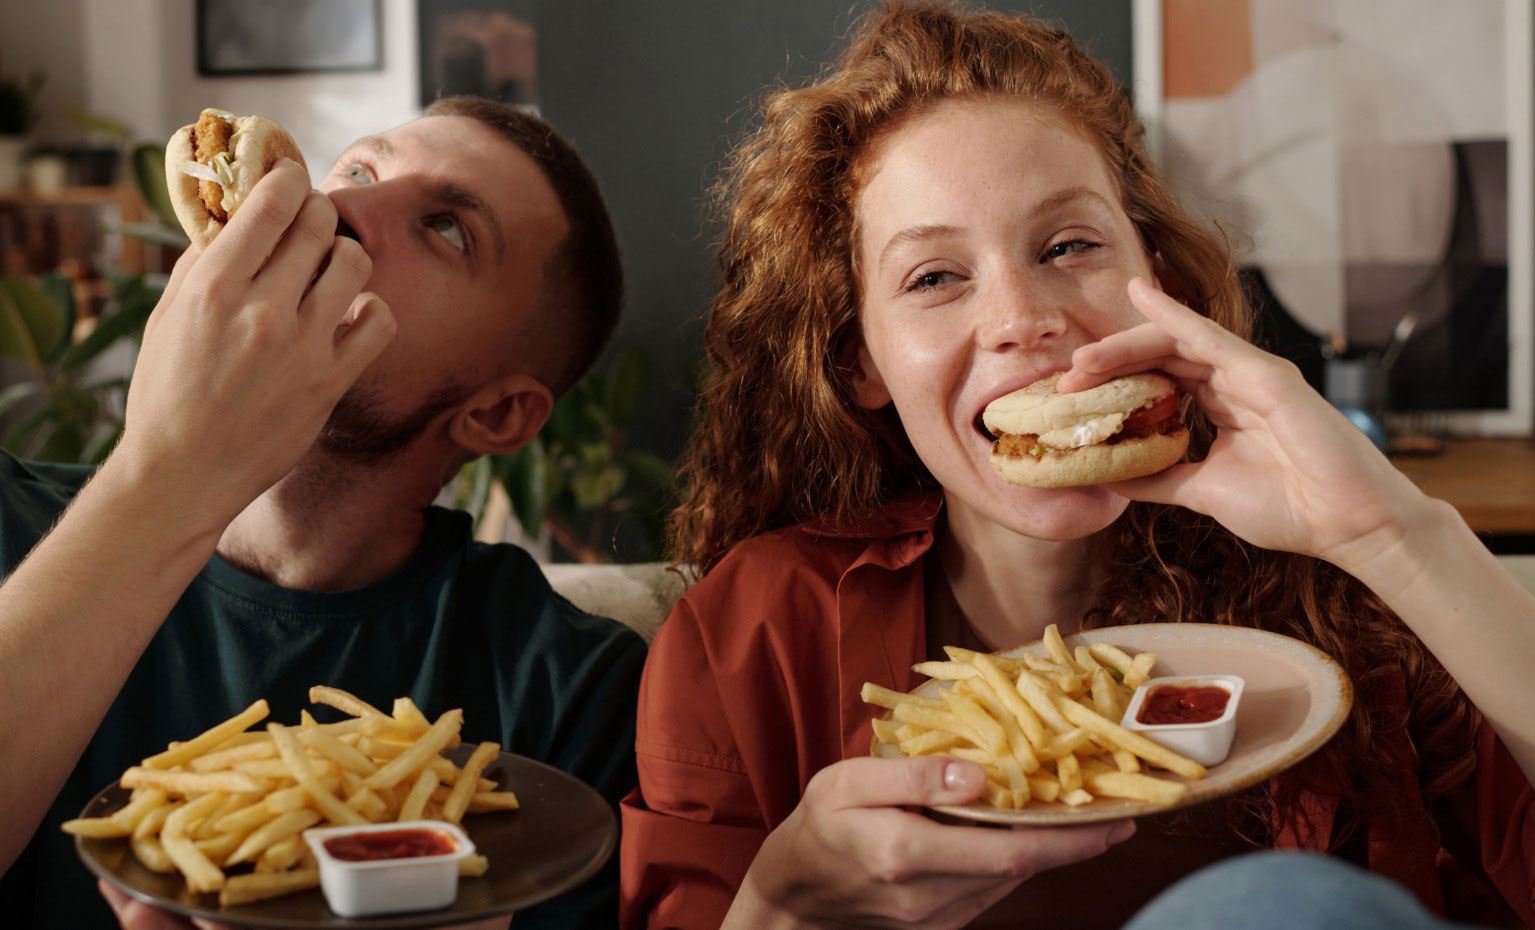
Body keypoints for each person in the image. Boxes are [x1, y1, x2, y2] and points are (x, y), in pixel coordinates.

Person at [618, 3, 1535, 928]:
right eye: (934, 277)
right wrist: (781, 901)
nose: (1023, 318)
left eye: (1068, 246)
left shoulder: (1343, 587)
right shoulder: (747, 634)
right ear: (862, 362)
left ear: (1160, 287)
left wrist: (1388, 533)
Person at [0, 96, 645, 930]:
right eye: (358, 169)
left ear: (494, 414)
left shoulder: (571, 689)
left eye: (446, 229)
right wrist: (166, 472)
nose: (340, 207)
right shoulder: (11, 520)